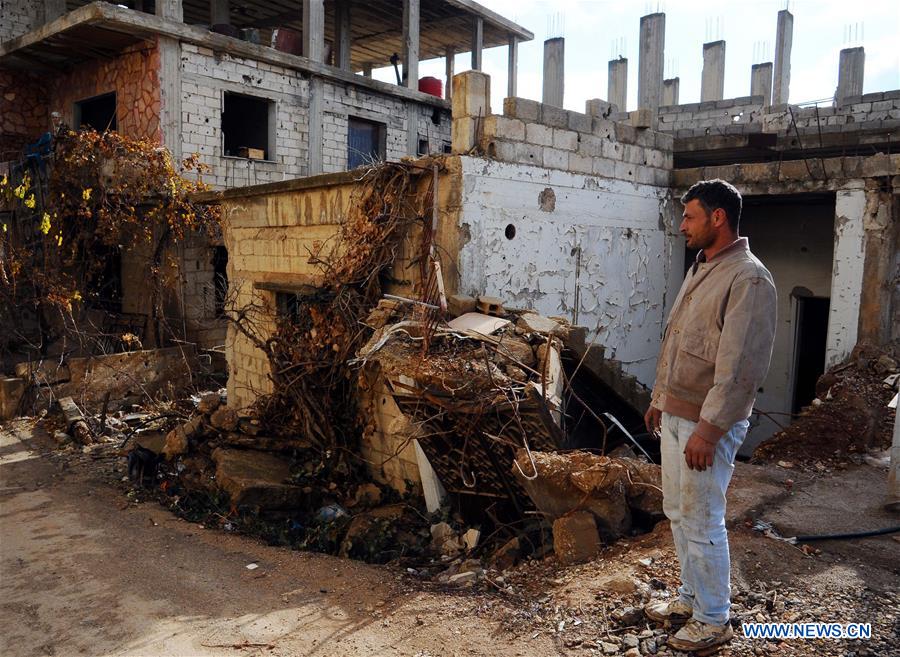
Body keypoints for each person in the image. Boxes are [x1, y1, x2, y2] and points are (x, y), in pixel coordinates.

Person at [642, 179, 777, 652]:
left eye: (690, 217)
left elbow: (740, 368)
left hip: (706, 425)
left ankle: (713, 617)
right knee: (678, 512)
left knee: (702, 518)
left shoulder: (749, 278)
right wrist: (660, 397)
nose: (682, 226)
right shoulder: (702, 267)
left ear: (718, 218)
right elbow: (680, 338)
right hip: (678, 416)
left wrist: (710, 429)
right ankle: (689, 598)